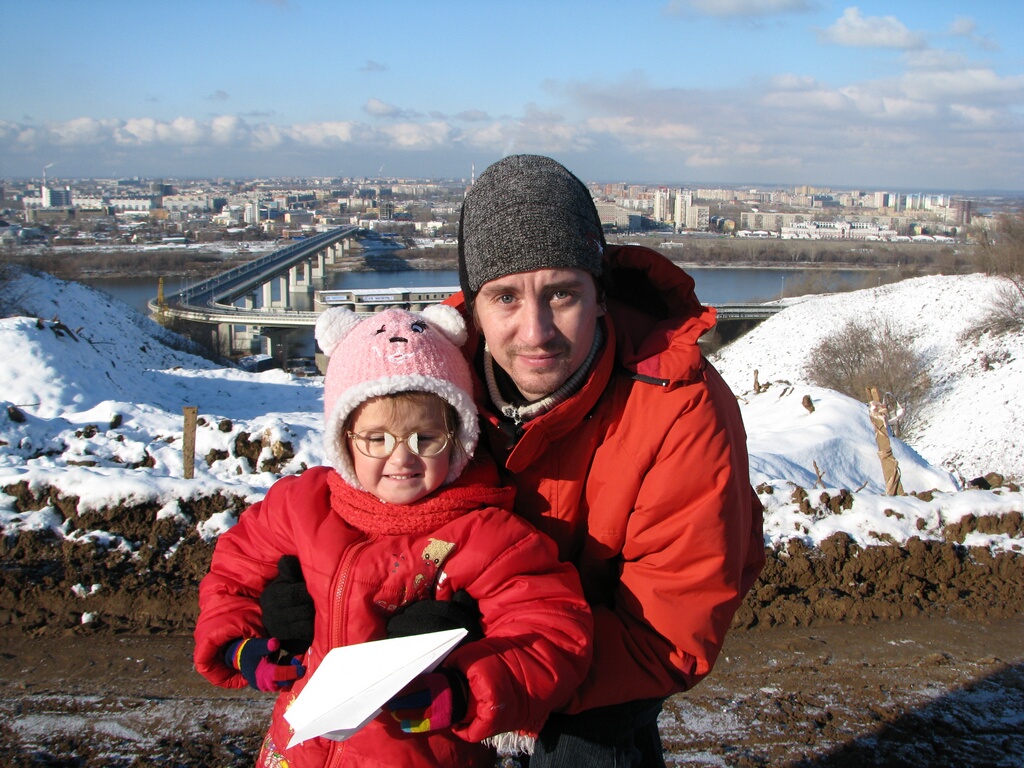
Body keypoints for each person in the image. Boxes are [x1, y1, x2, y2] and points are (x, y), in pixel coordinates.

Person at [264, 154, 766, 767]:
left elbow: (663, 636)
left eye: (562, 294)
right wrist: (311, 594)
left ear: (600, 296)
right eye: (505, 297)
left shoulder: (678, 407)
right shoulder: (431, 379)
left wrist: (476, 656)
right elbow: (366, 497)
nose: (536, 332)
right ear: (474, 307)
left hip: (599, 675)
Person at [194, 304, 593, 767]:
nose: (402, 458)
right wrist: (241, 643)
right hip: (299, 747)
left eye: (426, 439)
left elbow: (551, 633)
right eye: (376, 439)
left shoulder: (487, 538)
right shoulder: (302, 506)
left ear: (459, 438)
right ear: (344, 439)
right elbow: (235, 570)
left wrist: (462, 686)